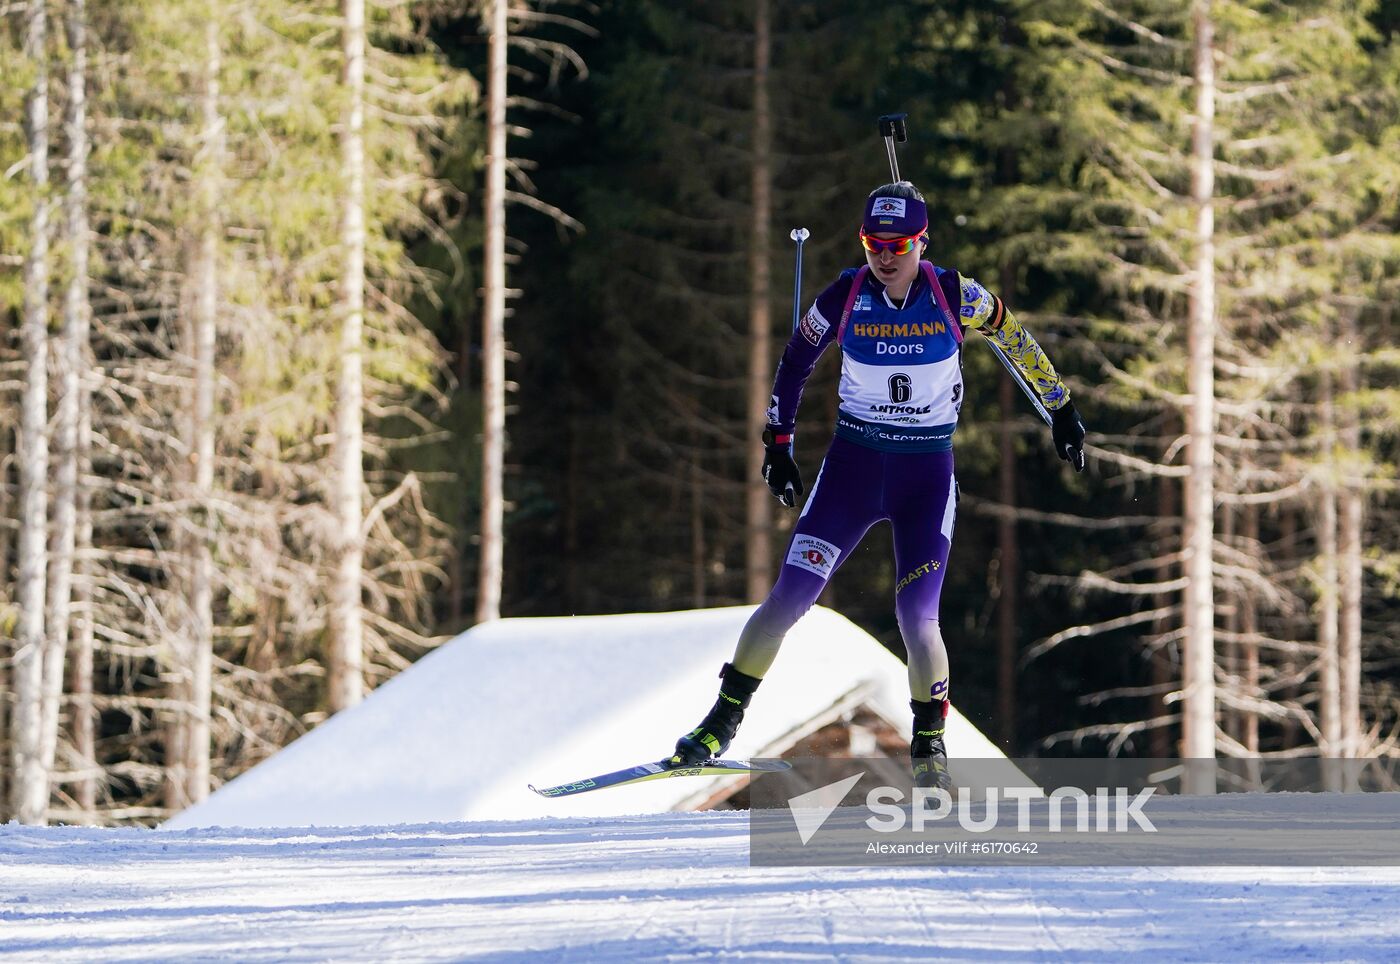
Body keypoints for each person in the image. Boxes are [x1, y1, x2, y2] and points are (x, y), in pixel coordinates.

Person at [670, 181, 1086, 789]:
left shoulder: (953, 293)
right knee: (789, 596)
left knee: (917, 614)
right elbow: (795, 360)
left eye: (897, 245)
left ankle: (928, 745)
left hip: (924, 474)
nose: (884, 257)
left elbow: (1014, 338)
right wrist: (778, 444)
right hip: (853, 469)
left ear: (922, 242)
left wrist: (1062, 409)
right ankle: (719, 723)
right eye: (873, 244)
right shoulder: (846, 294)